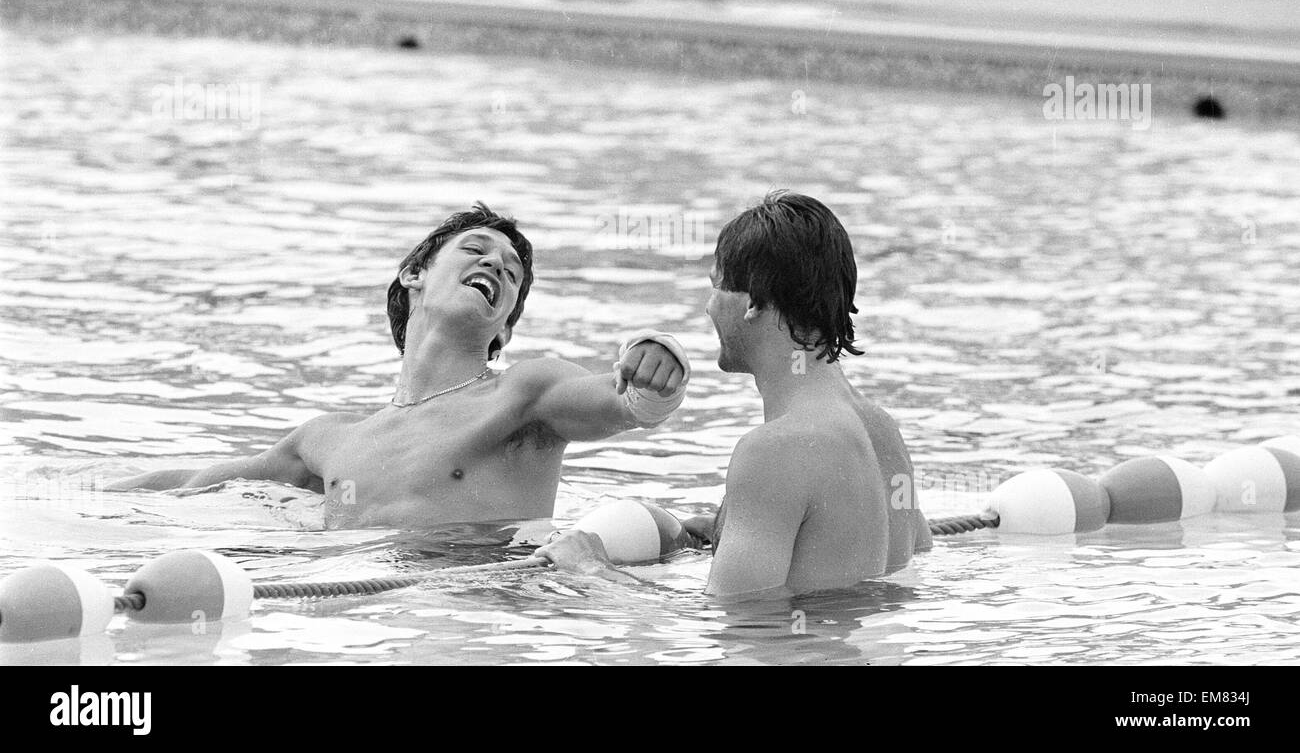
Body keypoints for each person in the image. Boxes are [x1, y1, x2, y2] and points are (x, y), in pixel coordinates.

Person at [108, 203, 690, 529]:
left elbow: (620, 404)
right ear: (414, 274)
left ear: (505, 328)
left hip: (483, 620)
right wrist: (80, 491)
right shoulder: (329, 439)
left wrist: (653, 371)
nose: (497, 264)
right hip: (360, 619)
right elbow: (195, 483)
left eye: (511, 273)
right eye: (477, 249)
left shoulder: (524, 392)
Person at [538, 191, 931, 598]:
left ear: (753, 302)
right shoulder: (882, 429)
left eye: (716, 287)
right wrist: (735, 528)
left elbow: (734, 621)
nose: (709, 308)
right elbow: (911, 557)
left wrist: (589, 568)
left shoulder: (775, 450)